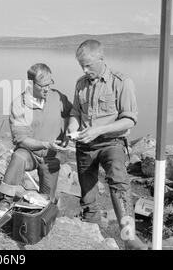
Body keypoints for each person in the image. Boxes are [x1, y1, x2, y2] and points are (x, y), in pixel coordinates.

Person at [65, 40, 147, 250]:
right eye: (81, 65)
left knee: (119, 180)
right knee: (87, 192)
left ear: (101, 59)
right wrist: (72, 128)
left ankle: (129, 237)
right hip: (85, 145)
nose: (85, 70)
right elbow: (75, 111)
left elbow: (130, 120)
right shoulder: (80, 83)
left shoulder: (122, 82)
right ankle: (90, 232)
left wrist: (98, 130)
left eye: (89, 65)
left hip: (112, 142)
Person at [0, 63, 72, 218]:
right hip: (30, 153)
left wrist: (69, 132)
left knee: (46, 201)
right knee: (19, 156)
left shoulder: (58, 97)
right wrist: (46, 144)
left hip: (51, 156)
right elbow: (21, 140)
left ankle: (43, 208)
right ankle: (5, 201)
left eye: (50, 84)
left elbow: (73, 113)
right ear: (31, 83)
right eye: (43, 85)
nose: (47, 89)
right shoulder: (19, 104)